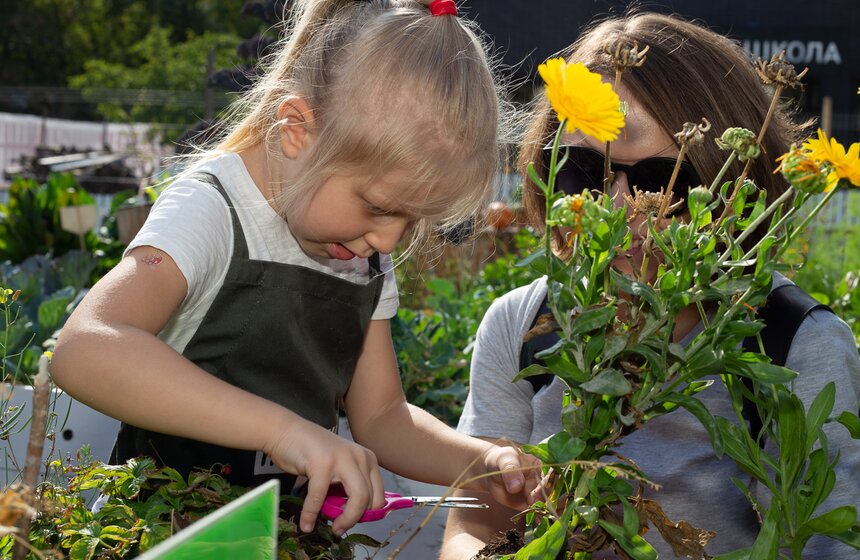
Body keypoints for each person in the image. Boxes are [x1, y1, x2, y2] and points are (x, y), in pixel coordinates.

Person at [50, 0, 539, 537]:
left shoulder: (359, 249)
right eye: (378, 205)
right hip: (163, 531)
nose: (389, 238)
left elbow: (382, 419)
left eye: (411, 219)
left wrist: (479, 463)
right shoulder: (213, 210)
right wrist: (280, 431)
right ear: (296, 129)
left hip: (286, 541)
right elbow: (85, 347)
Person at [441, 11, 860, 559]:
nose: (620, 207)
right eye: (584, 172)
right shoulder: (523, 324)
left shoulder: (795, 344)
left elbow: (824, 545)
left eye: (664, 182)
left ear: (734, 185)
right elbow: (473, 527)